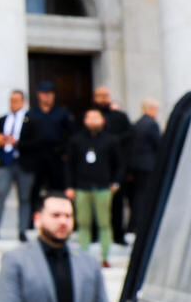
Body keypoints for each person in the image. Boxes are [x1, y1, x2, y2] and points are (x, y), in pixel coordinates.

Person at [66, 109, 121, 267]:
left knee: (104, 223)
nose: (93, 121)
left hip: (103, 187)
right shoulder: (77, 140)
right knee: (84, 223)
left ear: (103, 120)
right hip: (82, 187)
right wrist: (70, 186)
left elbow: (119, 163)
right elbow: (70, 165)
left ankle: (105, 257)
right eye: (90, 117)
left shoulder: (111, 140)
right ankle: (84, 256)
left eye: (96, 117)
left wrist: (116, 182)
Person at [0, 89, 39, 241]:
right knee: (1, 193)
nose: (13, 103)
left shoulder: (31, 120)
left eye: (16, 100)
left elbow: (37, 142)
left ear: (23, 102)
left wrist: (18, 143)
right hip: (5, 162)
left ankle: (22, 230)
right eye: (11, 100)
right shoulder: (2, 120)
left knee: (24, 197)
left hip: (24, 163)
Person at [90, 87, 135, 245]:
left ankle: (118, 234)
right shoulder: (90, 116)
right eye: (99, 96)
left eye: (105, 96)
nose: (102, 99)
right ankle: (94, 234)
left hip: (116, 166)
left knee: (117, 203)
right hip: (95, 168)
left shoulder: (120, 117)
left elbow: (129, 139)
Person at [27, 82, 75, 209]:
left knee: (58, 186)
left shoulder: (62, 113)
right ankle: (35, 216)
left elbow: (71, 135)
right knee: (35, 187)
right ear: (39, 95)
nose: (46, 97)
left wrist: (66, 153)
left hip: (57, 155)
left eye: (49, 94)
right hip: (37, 156)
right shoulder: (31, 114)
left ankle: (59, 211)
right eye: (44, 94)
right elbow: (26, 136)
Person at [126, 99, 162, 236]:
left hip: (136, 166)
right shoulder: (152, 124)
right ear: (151, 109)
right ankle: (140, 224)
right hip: (148, 166)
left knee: (137, 196)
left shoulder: (137, 124)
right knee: (143, 196)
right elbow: (159, 145)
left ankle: (134, 224)